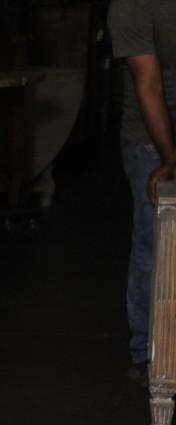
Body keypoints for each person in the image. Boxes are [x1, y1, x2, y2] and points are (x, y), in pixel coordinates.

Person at [111, 0, 176, 385]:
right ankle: (147, 350)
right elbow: (148, 87)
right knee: (155, 238)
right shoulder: (130, 7)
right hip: (149, 140)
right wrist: (170, 160)